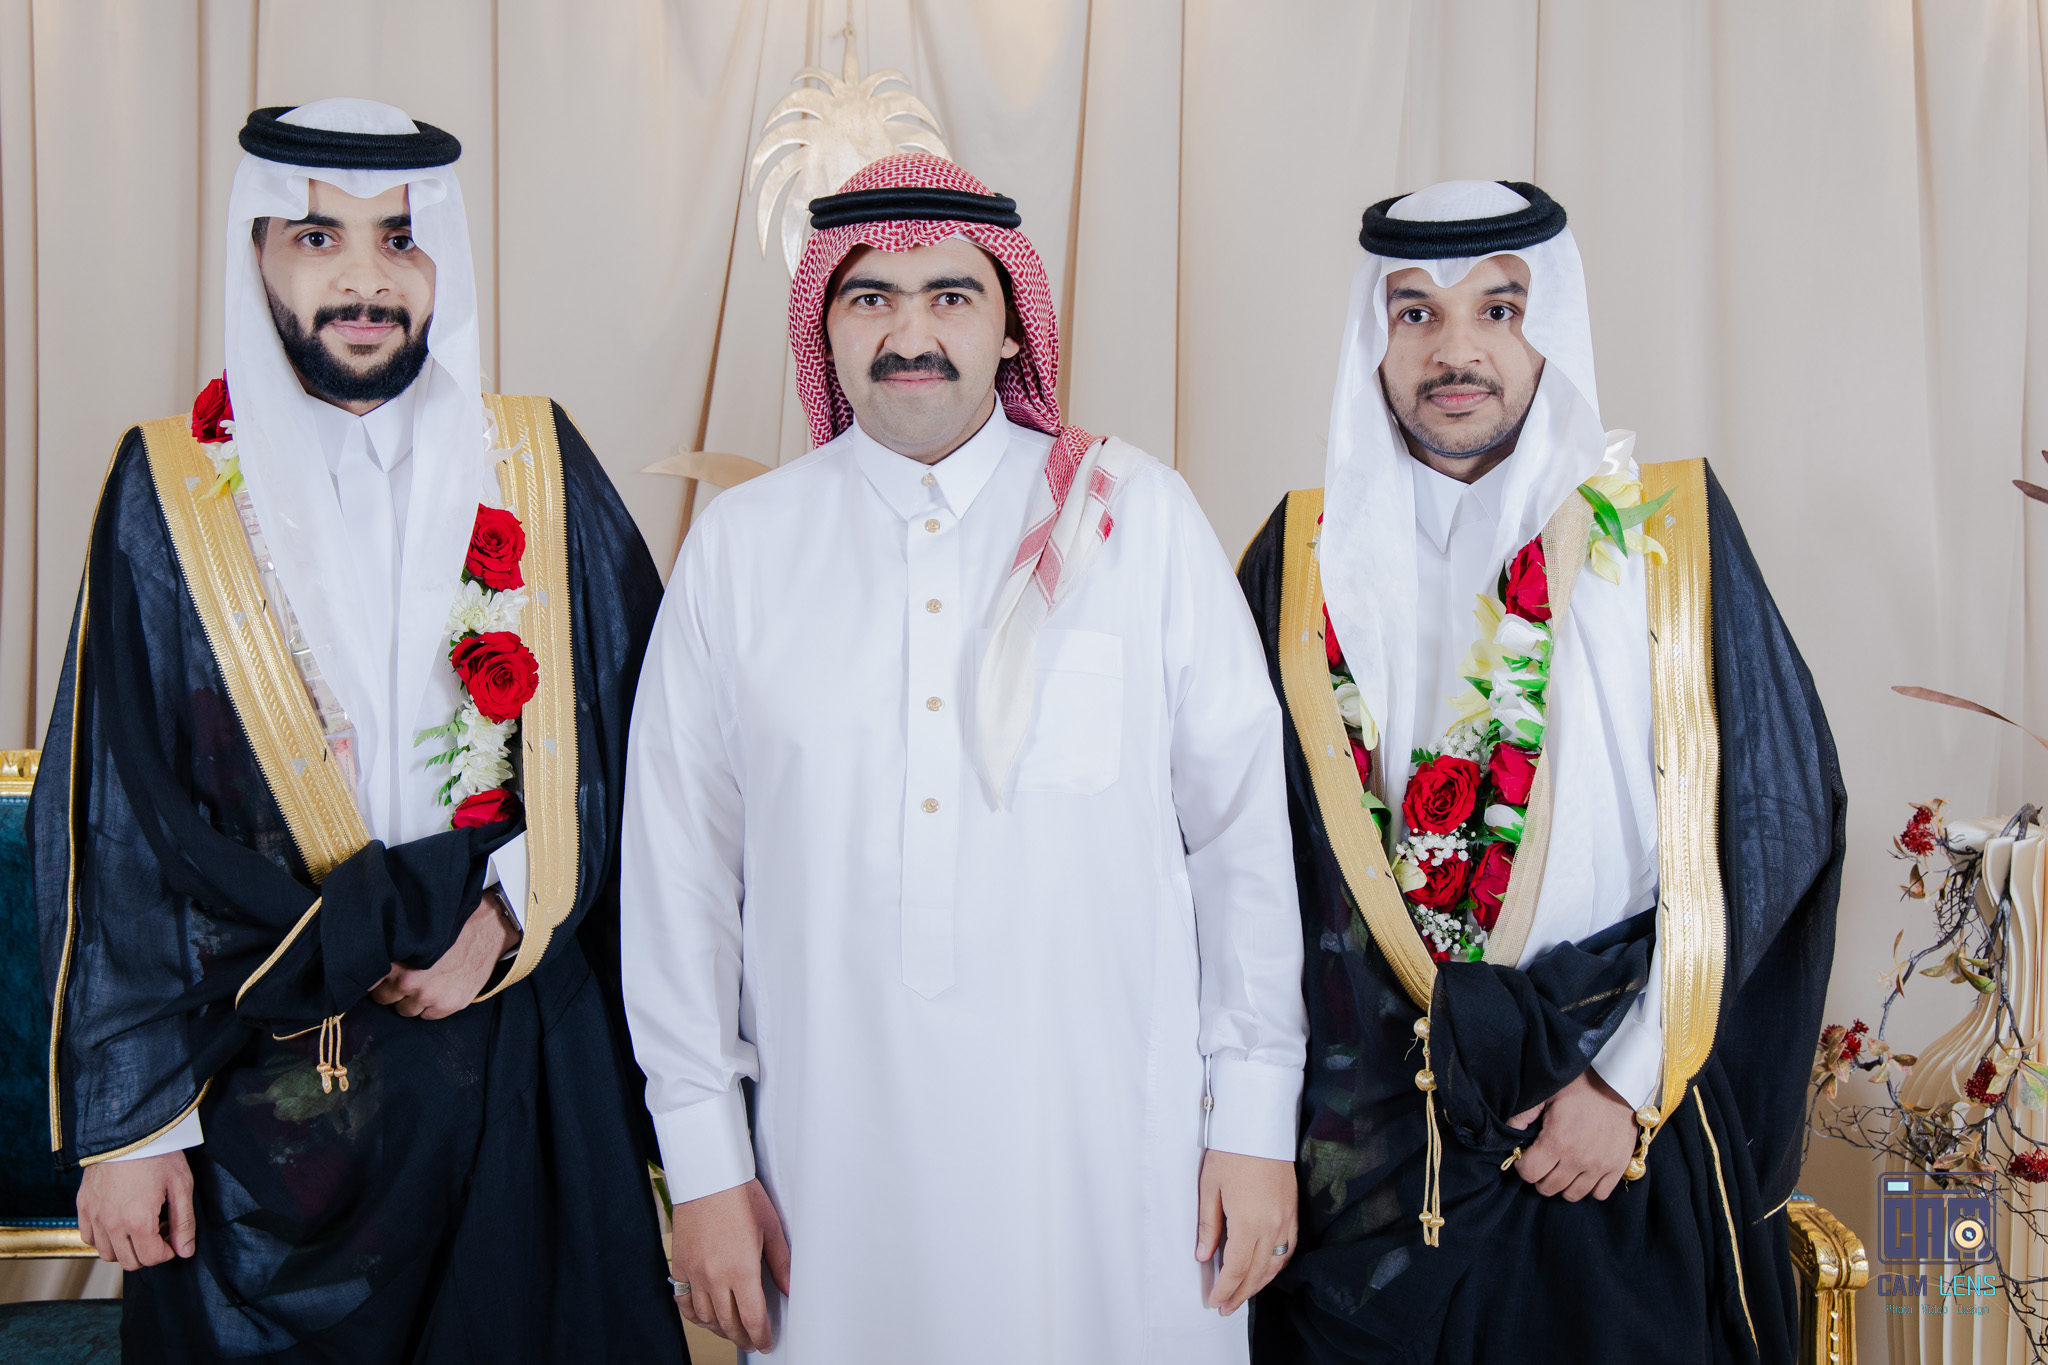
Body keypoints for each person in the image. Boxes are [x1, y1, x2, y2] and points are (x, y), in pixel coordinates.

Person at [620, 153, 1308, 1363]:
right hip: (828, 1172)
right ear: (824, 328)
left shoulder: (1134, 518)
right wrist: (705, 1163)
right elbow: (679, 880)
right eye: (869, 299)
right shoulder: (741, 550)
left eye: (950, 296)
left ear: (1010, 328)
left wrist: (1252, 1123)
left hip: (1114, 1161)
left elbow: (1240, 838)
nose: (910, 335)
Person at [35, 99, 686, 1363]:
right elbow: (116, 810)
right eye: (318, 238)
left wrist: (501, 917)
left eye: (399, 238)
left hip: (507, 1047)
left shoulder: (534, 460)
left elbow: (634, 745)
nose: (366, 279)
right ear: (258, 254)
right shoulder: (170, 485)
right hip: (260, 1078)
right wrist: (135, 1129)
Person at [1237, 180, 1843, 1362]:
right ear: (1373, 337)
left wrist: (1624, 1084)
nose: (1454, 352)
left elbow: (1773, 822)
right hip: (1369, 1163)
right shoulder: (1297, 560)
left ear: (1547, 325)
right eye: (1414, 313)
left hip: (1604, 1134)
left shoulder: (1662, 534)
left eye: (1498, 309)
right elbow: (1238, 861)